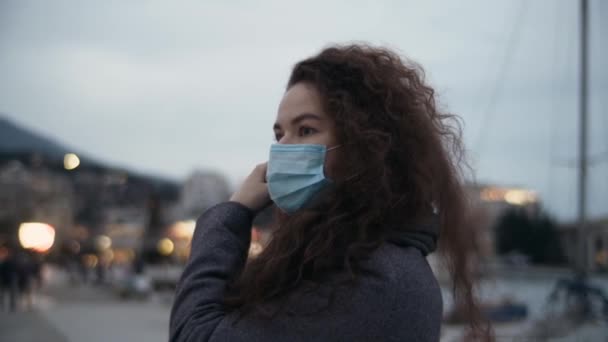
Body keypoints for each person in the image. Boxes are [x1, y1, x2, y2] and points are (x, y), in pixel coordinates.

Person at [170, 44, 491, 341]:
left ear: (366, 146)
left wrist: (234, 212)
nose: (281, 149)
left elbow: (197, 335)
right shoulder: (347, 256)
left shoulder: (372, 280)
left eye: (306, 130)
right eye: (279, 134)